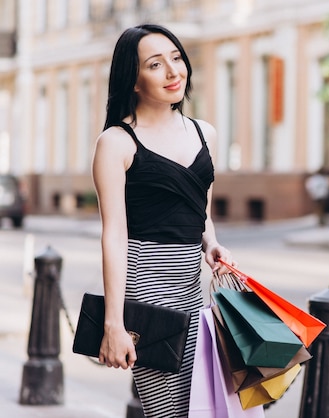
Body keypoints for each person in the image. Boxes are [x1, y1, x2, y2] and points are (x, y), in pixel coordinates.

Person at [91, 24, 236, 418]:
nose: (174, 72)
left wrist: (212, 243)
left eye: (176, 58)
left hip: (193, 284)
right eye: (155, 64)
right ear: (133, 79)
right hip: (147, 287)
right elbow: (114, 236)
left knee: (211, 404)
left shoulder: (205, 133)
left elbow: (199, 209)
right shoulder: (117, 142)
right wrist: (114, 324)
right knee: (173, 411)